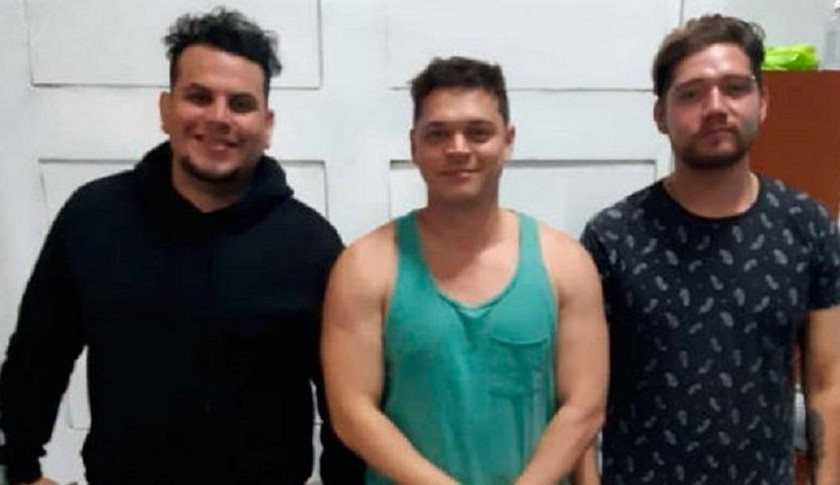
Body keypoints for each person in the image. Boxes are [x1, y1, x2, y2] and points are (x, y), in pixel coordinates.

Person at [0, 8, 362, 485]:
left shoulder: (310, 245)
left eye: (240, 104)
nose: (218, 117)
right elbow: (39, 354)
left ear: (267, 124)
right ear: (166, 109)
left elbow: (346, 404)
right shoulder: (93, 218)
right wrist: (19, 469)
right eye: (199, 97)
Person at [321, 56, 608, 485]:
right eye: (438, 134)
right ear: (414, 145)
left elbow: (583, 407)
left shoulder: (565, 264)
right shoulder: (364, 267)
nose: (458, 149)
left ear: (508, 141)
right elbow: (353, 413)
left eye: (478, 132)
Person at [582, 14, 840, 484]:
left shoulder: (809, 227)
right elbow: (580, 399)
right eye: (691, 93)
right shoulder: (612, 238)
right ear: (660, 115)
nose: (716, 107)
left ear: (763, 102)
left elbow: (827, 384)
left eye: (735, 88)